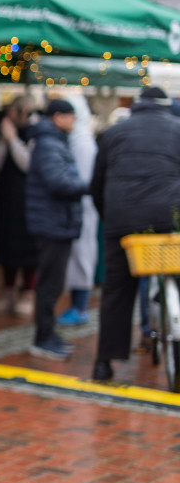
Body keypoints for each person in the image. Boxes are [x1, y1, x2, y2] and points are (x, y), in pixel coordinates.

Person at [90, 86, 180, 381]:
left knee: (117, 292)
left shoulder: (115, 132)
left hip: (122, 222)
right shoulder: (177, 129)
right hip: (170, 219)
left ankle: (104, 363)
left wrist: (110, 218)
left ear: (137, 105)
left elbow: (97, 183)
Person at [24, 99, 88, 361]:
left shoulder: (55, 142)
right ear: (57, 116)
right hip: (51, 224)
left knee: (54, 283)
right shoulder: (49, 144)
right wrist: (88, 185)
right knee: (49, 284)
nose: (74, 121)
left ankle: (49, 334)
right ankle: (42, 338)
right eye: (70, 116)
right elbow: (58, 183)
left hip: (57, 222)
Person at [0, 95, 38, 317]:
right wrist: (3, 140)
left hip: (30, 200)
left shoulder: (37, 134)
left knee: (28, 248)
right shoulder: (6, 135)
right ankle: (8, 292)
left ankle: (28, 293)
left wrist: (13, 139)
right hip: (7, 198)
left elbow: (28, 165)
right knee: (7, 246)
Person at [58, 94, 99, 326]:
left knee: (82, 256)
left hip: (82, 208)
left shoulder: (82, 142)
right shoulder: (76, 139)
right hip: (77, 207)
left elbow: (84, 181)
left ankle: (79, 306)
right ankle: (77, 304)